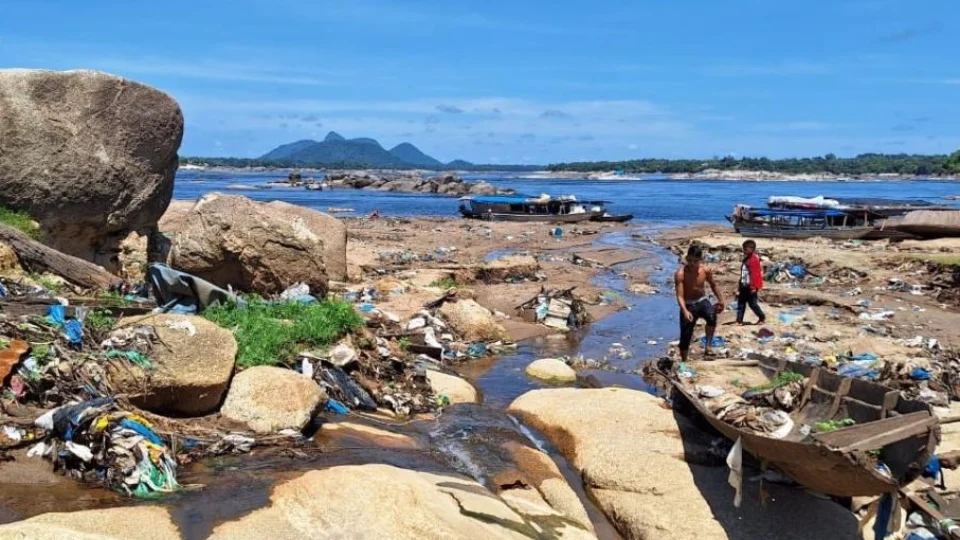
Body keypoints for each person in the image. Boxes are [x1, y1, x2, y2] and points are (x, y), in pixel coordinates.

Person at [674, 244, 724, 362]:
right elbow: (680, 296)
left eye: (695, 261)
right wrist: (685, 311)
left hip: (701, 300)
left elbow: (713, 285)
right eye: (689, 260)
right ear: (687, 258)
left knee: (711, 316)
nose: (692, 264)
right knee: (686, 334)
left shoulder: (705, 271)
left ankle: (708, 346)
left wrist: (721, 300)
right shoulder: (680, 274)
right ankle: (684, 360)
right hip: (688, 304)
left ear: (700, 260)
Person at [736, 240, 766, 325]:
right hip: (744, 285)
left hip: (751, 286)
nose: (744, 250)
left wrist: (754, 287)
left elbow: (755, 274)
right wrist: (739, 286)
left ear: (751, 249)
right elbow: (743, 273)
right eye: (743, 249)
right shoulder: (746, 259)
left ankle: (762, 317)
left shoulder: (754, 259)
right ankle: (739, 320)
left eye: (745, 249)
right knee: (741, 303)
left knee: (753, 304)